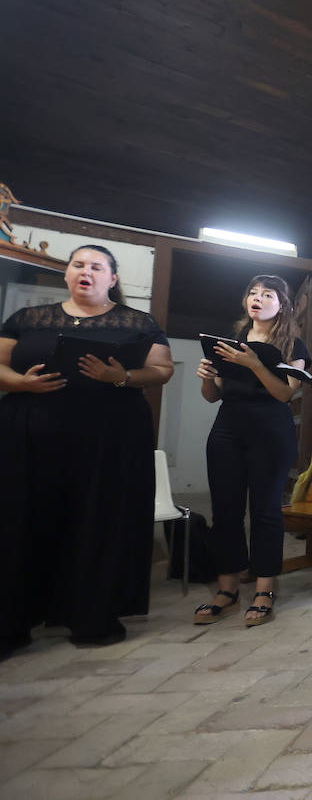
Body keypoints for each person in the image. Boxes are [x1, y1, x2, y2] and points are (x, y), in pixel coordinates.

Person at [0, 244, 175, 652]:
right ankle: (12, 621)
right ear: (66, 274)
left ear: (112, 279)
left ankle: (92, 616)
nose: (86, 272)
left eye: (97, 267)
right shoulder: (28, 319)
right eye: (78, 265)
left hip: (108, 440)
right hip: (31, 435)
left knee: (99, 520)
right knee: (21, 520)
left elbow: (162, 370)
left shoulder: (138, 322)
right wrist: (22, 383)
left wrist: (120, 375)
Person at [194, 275, 310, 628]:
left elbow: (285, 395)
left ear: (283, 305)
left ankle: (264, 590)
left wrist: (255, 365)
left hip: (270, 433)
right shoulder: (229, 342)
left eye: (267, 294)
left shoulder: (294, 347)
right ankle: (227, 591)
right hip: (227, 430)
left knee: (265, 512)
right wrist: (205, 376)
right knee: (225, 511)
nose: (257, 298)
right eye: (253, 293)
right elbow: (213, 395)